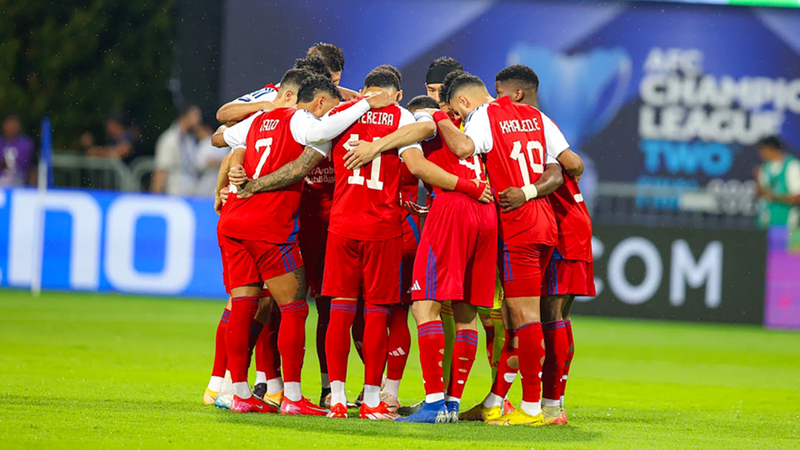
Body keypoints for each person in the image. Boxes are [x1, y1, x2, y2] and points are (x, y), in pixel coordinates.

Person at [233, 68, 491, 420]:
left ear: (365, 91)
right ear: (394, 94)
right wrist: (384, 145)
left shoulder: (339, 116)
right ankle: (375, 399)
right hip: (385, 226)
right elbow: (419, 156)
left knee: (339, 312)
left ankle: (336, 398)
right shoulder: (402, 118)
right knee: (381, 313)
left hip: (341, 225)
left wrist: (242, 178)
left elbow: (302, 156)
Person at [218, 74, 394, 414]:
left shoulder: (257, 120)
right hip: (268, 224)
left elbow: (223, 137)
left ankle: (238, 394)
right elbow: (311, 148)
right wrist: (364, 103)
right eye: (331, 107)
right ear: (319, 102)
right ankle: (293, 398)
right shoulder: (301, 120)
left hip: (233, 220)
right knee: (294, 308)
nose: (331, 114)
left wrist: (236, 172)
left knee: (242, 305)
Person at [435, 72, 566, 426]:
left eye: (457, 111)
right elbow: (561, 165)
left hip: (516, 224)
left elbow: (464, 148)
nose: (458, 118)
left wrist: (436, 118)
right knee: (511, 316)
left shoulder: (483, 116)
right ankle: (495, 401)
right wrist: (529, 189)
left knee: (525, 316)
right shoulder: (536, 116)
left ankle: (533, 407)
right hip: (543, 219)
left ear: (464, 102)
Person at [493, 64, 595, 425]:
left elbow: (574, 164)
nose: (497, 100)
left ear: (517, 93)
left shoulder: (537, 122)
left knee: (547, 316)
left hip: (561, 224)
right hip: (569, 223)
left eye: (499, 93)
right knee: (552, 316)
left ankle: (549, 406)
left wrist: (528, 189)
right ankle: (547, 404)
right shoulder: (539, 124)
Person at [151, 105, 203, 195]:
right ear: (184, 116)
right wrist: (156, 196)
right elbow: (161, 170)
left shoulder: (190, 139)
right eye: (195, 115)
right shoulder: (169, 139)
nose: (199, 119)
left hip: (191, 193)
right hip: (174, 194)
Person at [756, 136, 800, 230]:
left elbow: (798, 197)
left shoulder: (792, 166)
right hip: (766, 224)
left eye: (762, 150)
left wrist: (775, 197)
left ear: (771, 148)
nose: (760, 153)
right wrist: (757, 182)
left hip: (788, 224)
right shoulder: (765, 167)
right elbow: (760, 195)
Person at [0, 114, 35, 186]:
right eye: (9, 124)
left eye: (14, 124)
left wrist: (33, 188)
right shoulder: (1, 143)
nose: (12, 127)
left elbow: (33, 168)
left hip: (20, 185)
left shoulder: (26, 144)